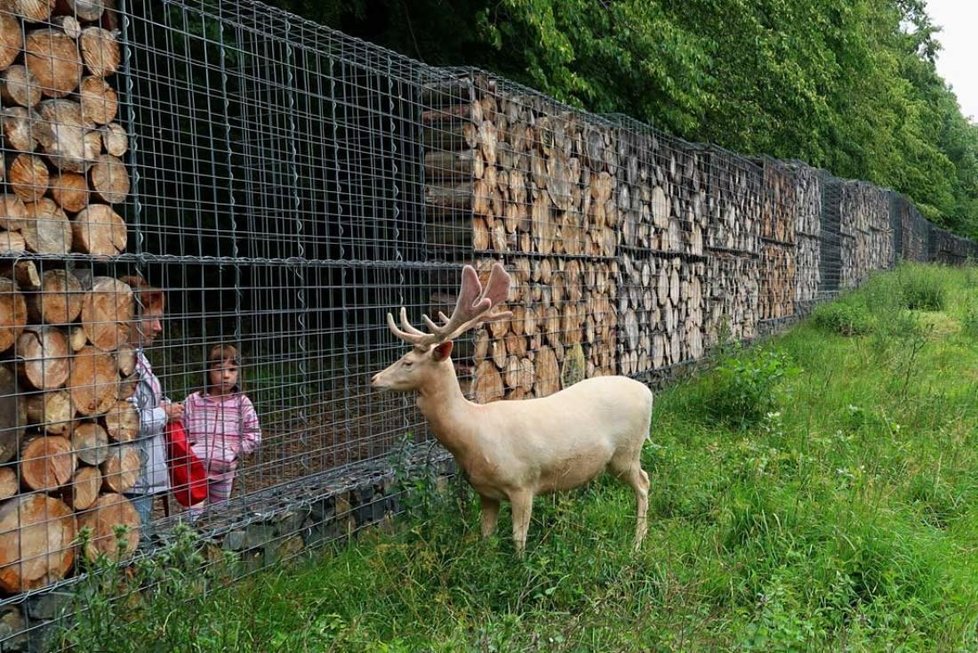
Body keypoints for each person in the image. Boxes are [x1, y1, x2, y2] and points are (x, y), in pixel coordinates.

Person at [121, 275, 183, 536]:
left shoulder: (139, 357)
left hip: (145, 473)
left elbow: (145, 402)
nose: (158, 327)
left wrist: (165, 406)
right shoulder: (117, 365)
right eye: (152, 318)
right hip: (131, 477)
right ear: (129, 319)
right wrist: (164, 413)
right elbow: (123, 424)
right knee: (135, 546)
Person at [183, 344, 261, 517]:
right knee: (192, 516)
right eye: (219, 370)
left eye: (232, 370)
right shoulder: (193, 401)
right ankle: (190, 543)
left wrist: (232, 451)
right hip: (194, 470)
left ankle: (215, 543)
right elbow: (180, 432)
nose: (226, 376)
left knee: (218, 516)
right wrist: (190, 451)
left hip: (224, 471)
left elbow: (254, 435)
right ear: (208, 371)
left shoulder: (242, 403)